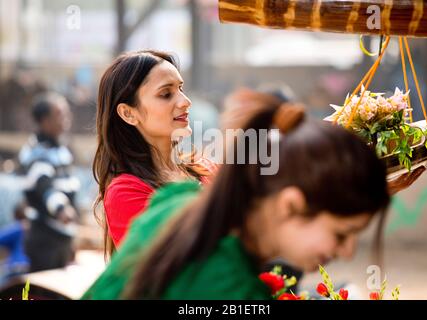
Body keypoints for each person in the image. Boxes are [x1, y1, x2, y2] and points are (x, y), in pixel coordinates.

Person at [82, 91, 391, 300]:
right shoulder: (231, 287)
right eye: (341, 234)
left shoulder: (177, 199)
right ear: (290, 205)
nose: (348, 252)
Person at [93, 50, 216, 258]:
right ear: (128, 113)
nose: (185, 101)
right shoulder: (125, 192)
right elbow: (173, 267)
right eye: (166, 94)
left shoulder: (204, 168)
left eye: (181, 89)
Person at [18, 92, 80, 272]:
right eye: (60, 114)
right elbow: (45, 187)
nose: (66, 118)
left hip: (62, 236)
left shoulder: (61, 148)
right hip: (45, 238)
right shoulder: (36, 152)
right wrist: (61, 209)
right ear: (45, 121)